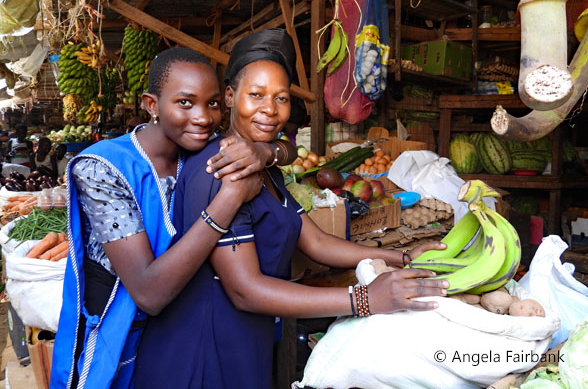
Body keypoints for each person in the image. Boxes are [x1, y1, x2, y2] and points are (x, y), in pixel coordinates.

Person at [134, 29, 449, 389]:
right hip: (203, 351)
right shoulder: (220, 169)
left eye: (280, 98)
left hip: (247, 340)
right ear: (231, 97)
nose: (270, 110)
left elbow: (314, 240)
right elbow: (244, 290)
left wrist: (403, 257)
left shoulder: (262, 164)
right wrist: (365, 299)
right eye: (256, 95)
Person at [50, 47, 296, 389]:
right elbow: (148, 293)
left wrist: (267, 150)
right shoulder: (103, 169)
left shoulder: (203, 151)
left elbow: (288, 146)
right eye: (185, 103)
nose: (203, 117)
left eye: (211, 103)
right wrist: (228, 199)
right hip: (117, 337)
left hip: (176, 338)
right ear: (151, 105)